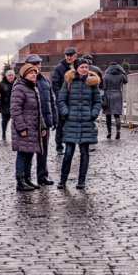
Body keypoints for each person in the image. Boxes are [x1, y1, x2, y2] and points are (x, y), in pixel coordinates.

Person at [57, 58, 101, 189]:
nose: (85, 69)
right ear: (76, 68)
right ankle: (63, 180)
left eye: (86, 67)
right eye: (82, 67)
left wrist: (93, 114)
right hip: (72, 122)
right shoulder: (69, 82)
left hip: (86, 122)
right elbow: (61, 100)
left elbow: (98, 101)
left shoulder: (92, 83)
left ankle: (81, 180)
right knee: (68, 153)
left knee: (84, 153)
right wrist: (66, 113)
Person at [10, 64, 47, 191]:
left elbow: (38, 110)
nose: (34, 75)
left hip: (33, 127)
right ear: (24, 74)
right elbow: (15, 110)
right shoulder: (19, 88)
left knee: (30, 153)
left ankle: (27, 179)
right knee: (23, 154)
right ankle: (20, 181)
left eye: (35, 73)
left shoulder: (33, 88)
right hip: (24, 127)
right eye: (31, 73)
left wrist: (42, 126)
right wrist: (21, 128)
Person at [26, 54, 56, 186]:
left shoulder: (45, 80)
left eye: (39, 64)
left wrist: (54, 117)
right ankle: (27, 178)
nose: (37, 67)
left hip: (46, 121)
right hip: (32, 122)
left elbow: (51, 100)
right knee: (29, 152)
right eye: (34, 64)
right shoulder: (25, 82)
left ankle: (42, 176)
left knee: (43, 151)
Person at [51, 47, 77, 155]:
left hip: (75, 101)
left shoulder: (79, 66)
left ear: (75, 55)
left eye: (71, 55)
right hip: (63, 101)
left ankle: (72, 145)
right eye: (67, 55)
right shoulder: (59, 68)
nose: (69, 57)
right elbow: (55, 84)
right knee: (61, 125)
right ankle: (59, 146)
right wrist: (61, 97)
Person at [103, 61, 128, 139]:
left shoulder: (106, 76)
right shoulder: (121, 75)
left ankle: (109, 132)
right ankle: (118, 131)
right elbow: (126, 81)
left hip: (108, 96)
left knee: (108, 115)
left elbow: (103, 87)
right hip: (117, 95)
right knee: (117, 115)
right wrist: (124, 73)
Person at [0, 70, 15, 141]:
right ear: (6, 76)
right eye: (9, 75)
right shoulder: (1, 84)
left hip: (14, 105)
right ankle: (3, 134)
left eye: (12, 75)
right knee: (4, 121)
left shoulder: (17, 83)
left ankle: (15, 135)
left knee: (15, 121)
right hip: (5, 105)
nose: (11, 77)